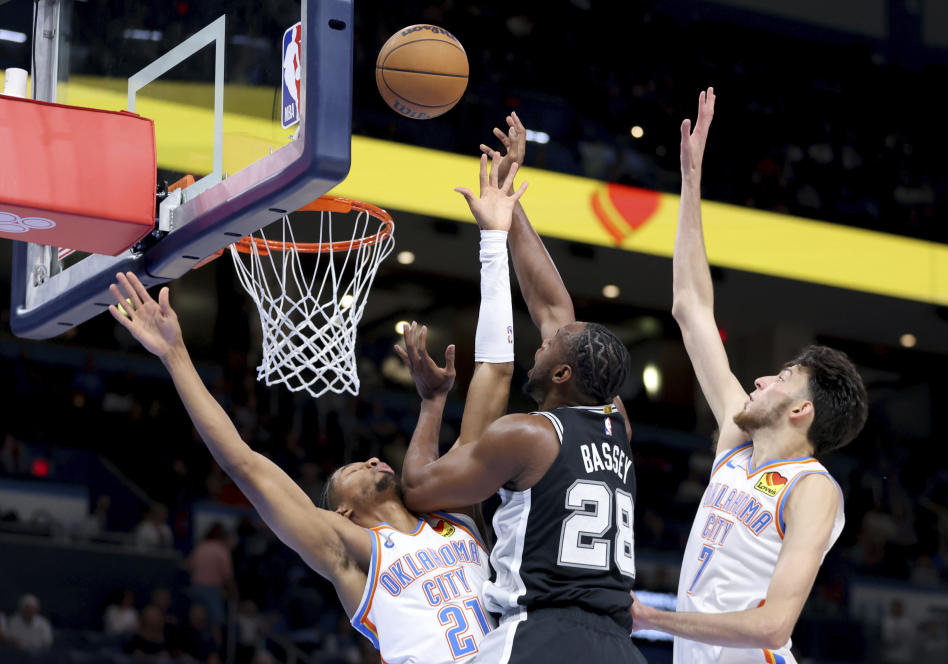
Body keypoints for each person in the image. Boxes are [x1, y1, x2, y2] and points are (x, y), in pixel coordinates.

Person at [107, 154, 519, 664]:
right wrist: (175, 354)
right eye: (352, 467)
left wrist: (493, 241)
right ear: (341, 509)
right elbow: (243, 462)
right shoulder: (348, 548)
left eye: (366, 459)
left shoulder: (454, 518)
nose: (371, 460)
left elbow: (494, 378)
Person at [629, 88, 868, 663]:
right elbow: (691, 307)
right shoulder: (737, 446)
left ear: (802, 409)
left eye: (782, 378)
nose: (761, 381)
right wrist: (691, 181)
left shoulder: (813, 490)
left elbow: (774, 624)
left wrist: (652, 616)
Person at [398, 117, 642, 663]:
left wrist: (431, 402)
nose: (542, 342)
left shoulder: (529, 436)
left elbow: (418, 489)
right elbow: (554, 310)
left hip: (543, 636)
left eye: (548, 349)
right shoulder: (616, 422)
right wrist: (510, 204)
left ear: (562, 376)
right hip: (620, 647)